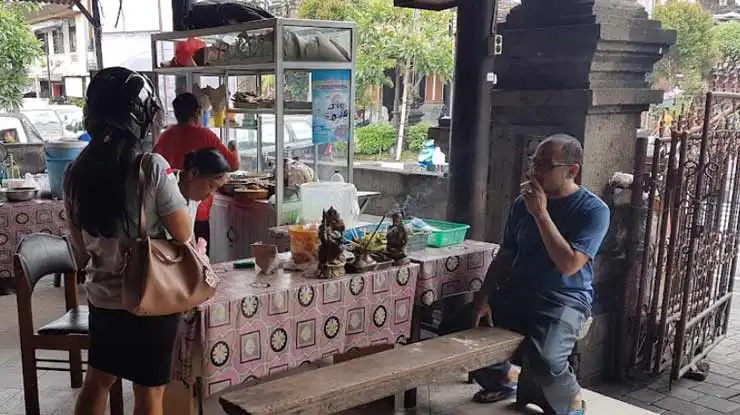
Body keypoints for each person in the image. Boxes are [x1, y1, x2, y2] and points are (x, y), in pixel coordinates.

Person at [440, 134, 610, 415]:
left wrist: (541, 214)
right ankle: (501, 379)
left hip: (563, 300)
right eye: (533, 162)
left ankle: (571, 400)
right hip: (517, 294)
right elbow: (505, 255)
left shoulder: (593, 210)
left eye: (544, 165)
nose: (533, 172)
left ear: (572, 170)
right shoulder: (522, 204)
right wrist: (484, 296)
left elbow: (569, 264)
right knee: (453, 330)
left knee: (545, 359)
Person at [63, 67, 193, 415]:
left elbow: (78, 242)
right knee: (149, 393)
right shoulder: (151, 167)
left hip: (103, 298)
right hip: (150, 296)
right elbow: (183, 233)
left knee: (97, 381)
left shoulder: (74, 173)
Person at [153, 92, 239, 255]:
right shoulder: (205, 135)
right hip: (194, 214)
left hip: (167, 209)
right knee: (193, 254)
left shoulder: (165, 137)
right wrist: (234, 148)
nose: (211, 192)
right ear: (198, 113)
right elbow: (233, 164)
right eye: (211, 186)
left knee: (187, 253)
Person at [177, 147, 231, 227]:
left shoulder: (192, 196)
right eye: (211, 186)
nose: (211, 194)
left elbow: (189, 234)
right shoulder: (169, 191)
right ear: (193, 173)